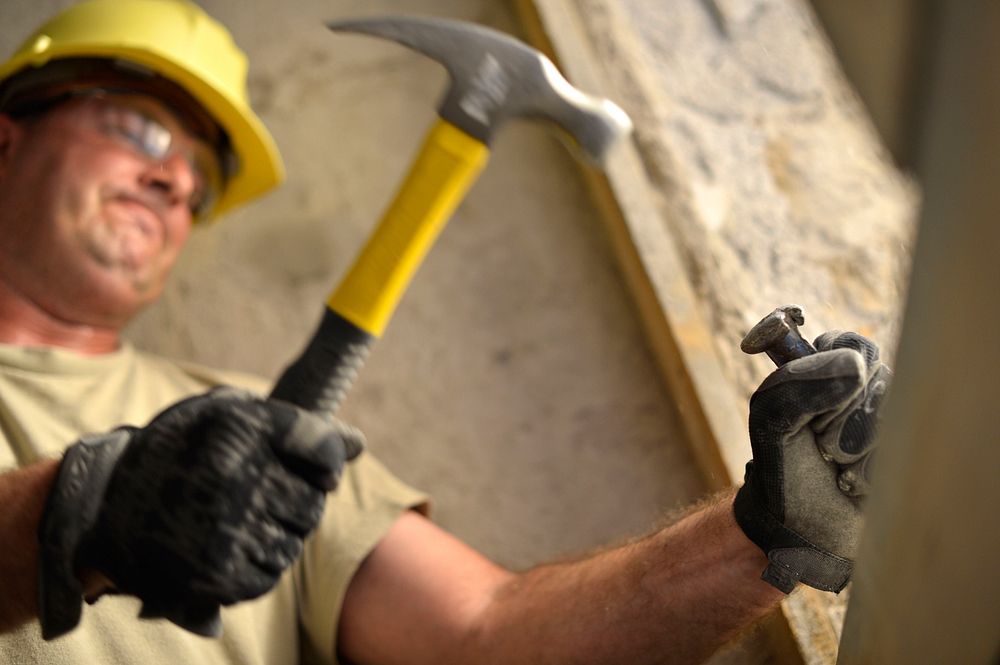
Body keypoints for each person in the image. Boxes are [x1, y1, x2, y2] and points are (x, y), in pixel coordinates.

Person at [0, 1, 889, 663]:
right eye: (140, 130)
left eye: (199, 177)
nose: (173, 184)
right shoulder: (210, 444)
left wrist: (763, 529)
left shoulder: (241, 430)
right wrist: (81, 507)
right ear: (9, 138)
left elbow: (486, 637)